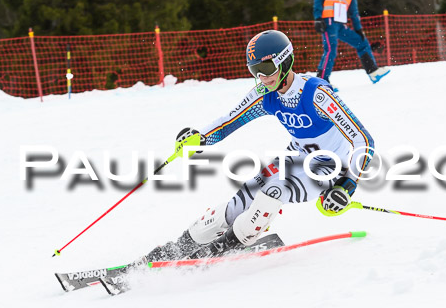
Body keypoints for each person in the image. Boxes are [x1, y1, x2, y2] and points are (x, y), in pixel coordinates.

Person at [141, 30, 375, 262]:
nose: (262, 78)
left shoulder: (317, 95)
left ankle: (223, 249)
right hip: (294, 158)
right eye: (255, 71)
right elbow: (228, 122)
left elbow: (363, 140)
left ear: (285, 61)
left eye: (266, 70)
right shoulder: (265, 94)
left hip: (329, 167)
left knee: (275, 191)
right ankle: (177, 247)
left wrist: (348, 184)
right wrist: (200, 138)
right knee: (243, 198)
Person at [313, 0, 390, 88]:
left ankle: (373, 71)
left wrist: (358, 28)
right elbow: (318, 1)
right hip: (328, 22)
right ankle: (322, 81)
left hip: (340, 24)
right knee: (331, 49)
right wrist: (318, 18)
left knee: (361, 42)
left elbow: (353, 11)